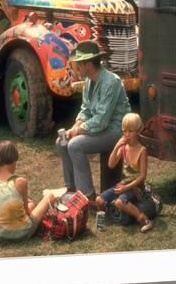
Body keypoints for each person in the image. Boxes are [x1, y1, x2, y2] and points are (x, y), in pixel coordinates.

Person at [56, 40, 131, 199]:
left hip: (115, 130)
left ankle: (87, 196)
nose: (76, 67)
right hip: (100, 128)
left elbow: (102, 120)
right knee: (62, 142)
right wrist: (75, 126)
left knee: (75, 145)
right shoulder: (89, 81)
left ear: (88, 65)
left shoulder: (111, 81)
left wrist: (78, 130)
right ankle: (71, 190)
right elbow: (86, 110)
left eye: (79, 64)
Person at [96, 113, 154, 233]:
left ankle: (144, 219)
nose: (126, 134)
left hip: (135, 188)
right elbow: (111, 164)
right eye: (124, 131)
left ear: (138, 131)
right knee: (99, 200)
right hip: (122, 185)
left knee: (119, 202)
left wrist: (126, 188)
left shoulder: (142, 151)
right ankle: (105, 219)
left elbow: (142, 176)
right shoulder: (123, 148)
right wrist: (117, 146)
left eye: (130, 131)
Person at [0, 140, 56, 242]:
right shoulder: (20, 182)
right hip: (21, 233)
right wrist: (30, 205)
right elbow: (27, 212)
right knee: (49, 197)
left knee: (30, 205)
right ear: (14, 160)